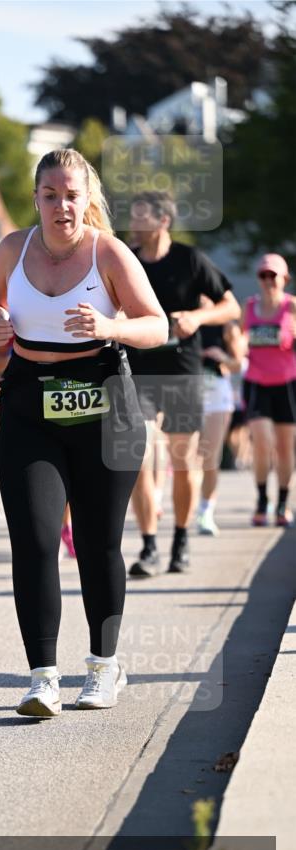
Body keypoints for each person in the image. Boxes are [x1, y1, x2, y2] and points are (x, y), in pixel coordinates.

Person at [0, 148, 167, 717]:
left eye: (72, 195)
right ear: (35, 198)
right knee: (34, 541)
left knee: (96, 543)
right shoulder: (14, 248)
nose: (62, 206)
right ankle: (42, 677)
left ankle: (105, 667)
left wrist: (111, 325)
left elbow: (155, 325)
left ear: (89, 200)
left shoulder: (107, 252)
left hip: (104, 405)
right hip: (29, 403)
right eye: (51, 195)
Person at [126, 192, 240, 576]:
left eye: (141, 216)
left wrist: (195, 318)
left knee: (182, 459)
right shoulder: (127, 261)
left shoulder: (190, 260)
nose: (133, 223)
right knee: (139, 458)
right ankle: (148, 547)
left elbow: (231, 306)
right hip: (139, 371)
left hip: (181, 371)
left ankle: (180, 540)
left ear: (162, 221)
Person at [241, 253, 296, 527]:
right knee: (262, 442)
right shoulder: (249, 306)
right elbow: (240, 341)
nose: (267, 280)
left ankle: (283, 502)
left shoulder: (292, 307)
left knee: (286, 448)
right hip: (256, 382)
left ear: (284, 278)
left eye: (272, 275)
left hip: (287, 383)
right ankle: (263, 499)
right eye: (263, 275)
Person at [195, 299, 247, 536]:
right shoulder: (186, 320)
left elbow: (239, 364)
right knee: (184, 456)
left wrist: (220, 356)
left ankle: (206, 511)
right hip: (187, 392)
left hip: (217, 395)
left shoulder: (227, 325)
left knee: (210, 457)